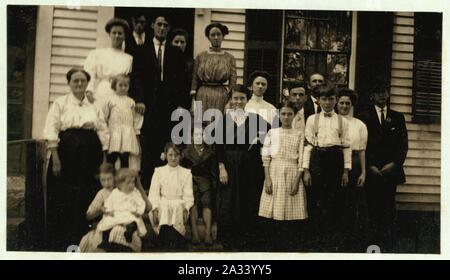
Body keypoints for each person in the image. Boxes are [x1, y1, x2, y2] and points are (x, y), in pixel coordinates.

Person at [43, 68, 109, 251]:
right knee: (65, 196)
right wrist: (55, 157)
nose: (79, 84)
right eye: (75, 81)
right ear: (69, 83)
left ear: (88, 83)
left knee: (86, 195)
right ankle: (62, 243)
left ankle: (84, 241)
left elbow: (103, 131)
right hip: (67, 153)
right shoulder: (60, 103)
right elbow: (52, 129)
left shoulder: (94, 106)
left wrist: (104, 160)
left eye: (82, 81)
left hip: (90, 156)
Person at [132, 15, 186, 188]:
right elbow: (136, 78)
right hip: (148, 106)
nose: (162, 28)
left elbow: (181, 81)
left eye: (165, 25)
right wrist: (139, 100)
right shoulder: (142, 50)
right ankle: (149, 191)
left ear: (168, 28)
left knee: (168, 145)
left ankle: (167, 189)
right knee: (149, 148)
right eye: (159, 24)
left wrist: (180, 104)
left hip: (169, 107)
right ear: (153, 26)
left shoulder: (175, 52)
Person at [215, 84, 269, 251]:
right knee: (229, 201)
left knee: (247, 199)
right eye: (235, 98)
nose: (238, 101)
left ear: (247, 100)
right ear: (231, 100)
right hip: (229, 163)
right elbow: (218, 147)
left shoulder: (256, 119)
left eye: (242, 98)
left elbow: (270, 134)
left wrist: (258, 141)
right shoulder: (223, 120)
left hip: (249, 164)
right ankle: (228, 242)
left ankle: (246, 241)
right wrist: (221, 167)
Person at [359, 84, 408, 252]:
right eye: (377, 92)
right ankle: (372, 245)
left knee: (388, 207)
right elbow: (361, 145)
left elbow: (403, 145)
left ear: (388, 95)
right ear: (371, 96)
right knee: (372, 207)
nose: (381, 96)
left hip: (390, 171)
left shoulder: (397, 117)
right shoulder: (363, 116)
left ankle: (388, 246)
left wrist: (393, 164)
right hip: (371, 170)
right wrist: (370, 165)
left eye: (384, 92)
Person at [302, 84, 351, 252]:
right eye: (324, 99)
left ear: (336, 100)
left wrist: (345, 171)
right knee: (316, 198)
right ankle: (316, 238)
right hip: (318, 159)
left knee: (334, 199)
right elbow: (308, 146)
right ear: (319, 100)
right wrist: (306, 170)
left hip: (335, 160)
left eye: (331, 99)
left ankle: (332, 241)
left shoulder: (342, 121)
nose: (328, 102)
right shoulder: (312, 119)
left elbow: (346, 146)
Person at [258, 101, 307, 251]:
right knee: (274, 209)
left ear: (294, 116)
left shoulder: (299, 134)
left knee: (291, 209)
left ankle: (289, 246)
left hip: (292, 172)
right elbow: (266, 157)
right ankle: (274, 246)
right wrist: (267, 178)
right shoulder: (272, 133)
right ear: (279, 115)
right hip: (274, 171)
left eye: (289, 114)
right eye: (283, 114)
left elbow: (302, 159)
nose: (286, 117)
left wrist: (297, 180)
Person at [79, 165, 150, 252]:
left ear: (115, 178)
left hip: (127, 223)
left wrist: (138, 185)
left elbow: (148, 207)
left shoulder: (127, 186)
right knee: (108, 232)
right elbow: (88, 215)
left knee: (120, 232)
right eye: (103, 180)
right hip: (111, 221)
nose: (106, 183)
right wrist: (101, 210)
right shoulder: (102, 193)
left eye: (109, 179)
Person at [336, 88, 369, 252]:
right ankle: (335, 238)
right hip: (335, 162)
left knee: (352, 201)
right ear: (336, 103)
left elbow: (362, 150)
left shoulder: (359, 124)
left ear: (352, 105)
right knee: (336, 201)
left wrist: (363, 172)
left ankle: (351, 240)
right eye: (341, 102)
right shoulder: (330, 121)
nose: (344, 106)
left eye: (347, 103)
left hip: (354, 163)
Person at [148, 143, 194, 250]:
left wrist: (186, 208)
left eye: (176, 155)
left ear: (181, 156)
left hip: (179, 202)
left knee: (177, 207)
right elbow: (153, 193)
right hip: (163, 201)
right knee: (163, 206)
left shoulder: (186, 173)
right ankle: (164, 239)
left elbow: (188, 195)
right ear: (165, 155)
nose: (173, 158)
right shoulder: (159, 171)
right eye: (170, 155)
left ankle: (174, 240)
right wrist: (154, 208)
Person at [181, 127, 218, 245]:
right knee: (193, 202)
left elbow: (213, 172)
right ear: (192, 137)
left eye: (201, 134)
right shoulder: (186, 152)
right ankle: (195, 234)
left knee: (207, 202)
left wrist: (214, 185)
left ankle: (207, 234)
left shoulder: (210, 152)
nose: (198, 137)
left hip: (205, 182)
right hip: (190, 181)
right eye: (196, 134)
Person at [84, 18, 133, 105]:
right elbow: (90, 74)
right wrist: (89, 91)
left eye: (120, 33)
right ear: (109, 34)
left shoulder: (128, 59)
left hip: (120, 94)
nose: (117, 36)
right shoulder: (97, 54)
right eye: (114, 33)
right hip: (102, 92)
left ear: (125, 36)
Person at [191, 22, 237, 113]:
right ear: (208, 37)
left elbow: (233, 80)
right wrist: (193, 99)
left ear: (223, 36)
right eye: (213, 35)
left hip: (221, 95)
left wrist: (231, 99)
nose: (216, 37)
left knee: (218, 123)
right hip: (202, 94)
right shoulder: (201, 56)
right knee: (199, 123)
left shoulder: (229, 58)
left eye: (219, 34)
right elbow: (195, 78)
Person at [96, 168, 147, 250]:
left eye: (133, 182)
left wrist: (139, 212)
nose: (132, 185)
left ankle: (129, 231)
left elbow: (141, 203)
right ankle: (105, 241)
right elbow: (109, 202)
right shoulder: (115, 192)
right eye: (128, 183)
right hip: (117, 214)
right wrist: (107, 210)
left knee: (132, 221)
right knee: (105, 222)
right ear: (119, 184)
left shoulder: (135, 192)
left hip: (131, 213)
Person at [103, 74, 143, 168]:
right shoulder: (110, 100)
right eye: (120, 85)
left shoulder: (131, 102)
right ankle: (110, 179)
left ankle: (124, 180)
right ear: (114, 86)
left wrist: (136, 133)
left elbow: (135, 119)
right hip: (114, 133)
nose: (123, 88)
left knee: (125, 159)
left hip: (126, 134)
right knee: (111, 158)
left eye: (126, 85)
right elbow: (104, 117)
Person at [168, 28, 193, 110]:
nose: (179, 45)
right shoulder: (165, 61)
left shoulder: (191, 63)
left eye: (182, 42)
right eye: (176, 42)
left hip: (183, 105)